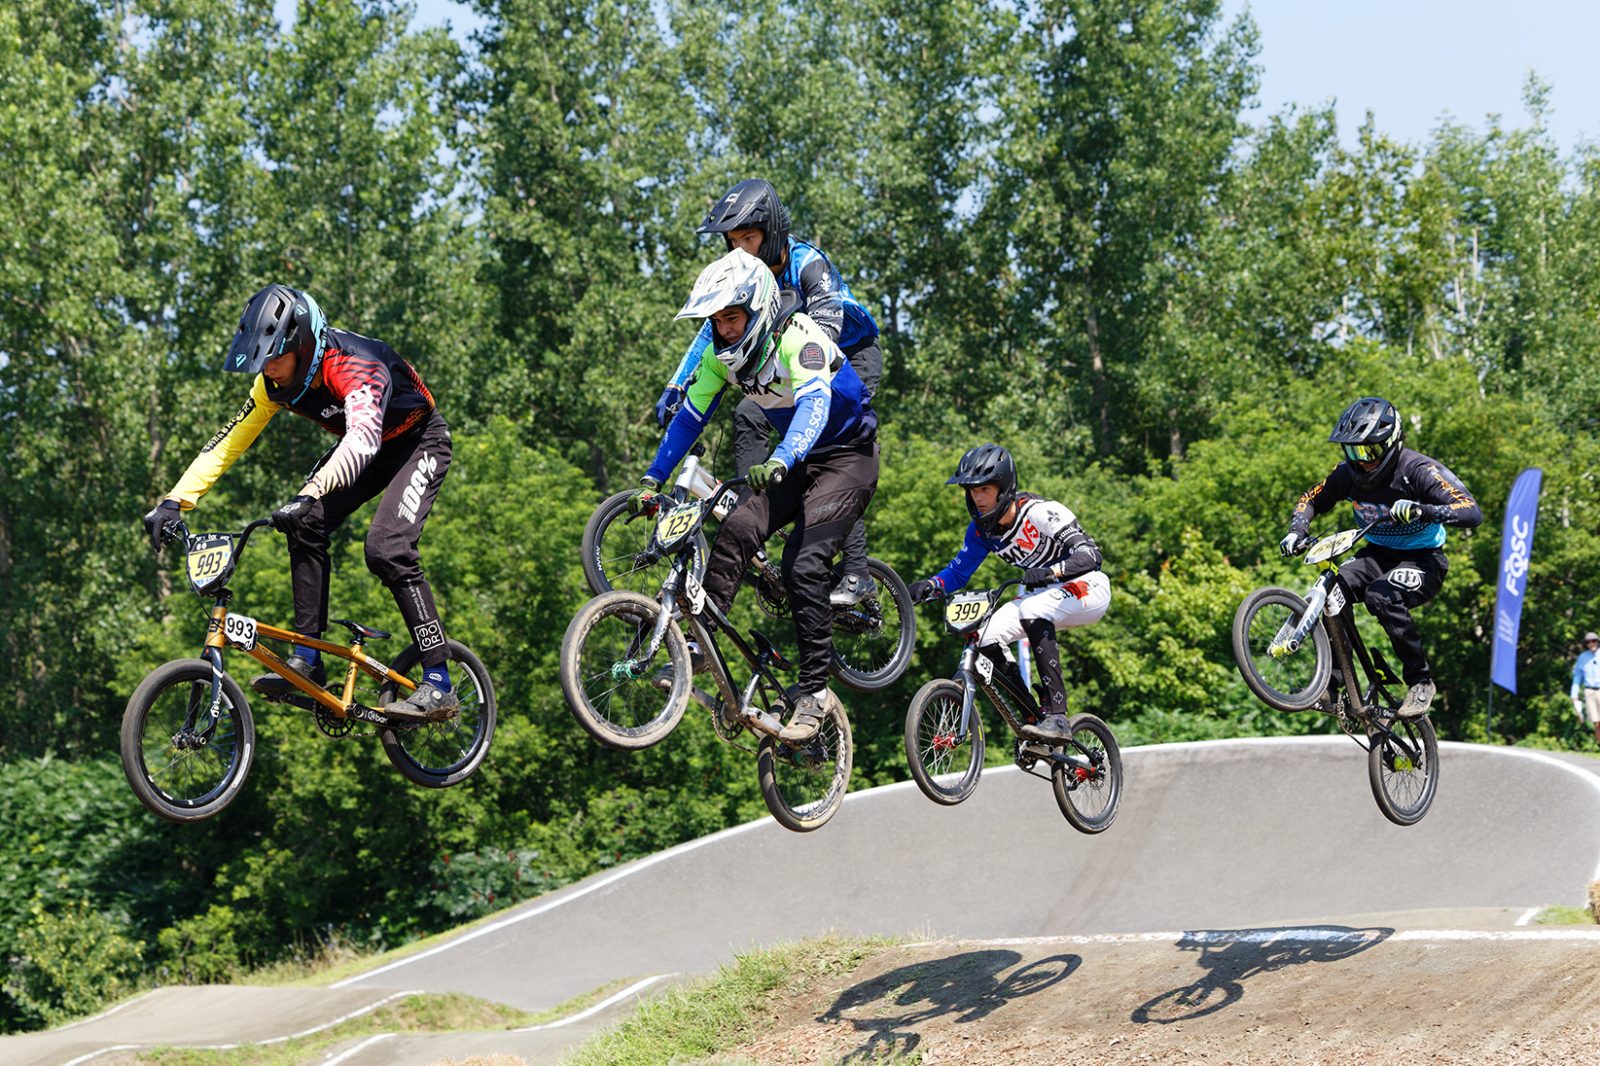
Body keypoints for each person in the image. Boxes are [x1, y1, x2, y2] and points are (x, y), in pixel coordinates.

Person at [142, 284, 456, 722]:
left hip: (417, 442)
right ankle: (307, 658)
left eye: (274, 357)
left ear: (304, 345)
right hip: (366, 447)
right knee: (304, 524)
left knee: (387, 549)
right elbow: (229, 441)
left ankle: (439, 679)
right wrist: (176, 499)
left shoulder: (355, 367)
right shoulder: (271, 385)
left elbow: (362, 441)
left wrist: (310, 491)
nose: (268, 370)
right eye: (261, 360)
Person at [636, 248, 878, 742]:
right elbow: (690, 417)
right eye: (717, 321)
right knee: (739, 527)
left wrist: (782, 458)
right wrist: (651, 478)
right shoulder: (719, 357)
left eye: (733, 317)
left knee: (802, 565)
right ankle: (700, 646)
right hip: (797, 460)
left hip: (847, 458)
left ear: (758, 308)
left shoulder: (801, 338)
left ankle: (814, 694)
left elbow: (814, 405)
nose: (725, 330)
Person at [653, 179, 883, 608]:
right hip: (792, 360)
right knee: (747, 412)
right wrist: (676, 384)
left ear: (772, 231)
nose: (740, 249)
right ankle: (753, 508)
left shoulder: (807, 263)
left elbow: (822, 336)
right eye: (733, 241)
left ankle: (857, 572)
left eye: (749, 238)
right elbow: (709, 335)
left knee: (824, 447)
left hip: (847, 357)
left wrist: (790, 391)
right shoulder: (742, 278)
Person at [1280, 396, 1481, 719]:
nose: (1362, 461)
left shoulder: (1418, 470)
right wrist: (1297, 530)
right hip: (1375, 555)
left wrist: (1424, 510)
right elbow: (1311, 499)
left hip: (1423, 561)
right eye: (1353, 451)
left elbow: (1471, 511)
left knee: (1381, 596)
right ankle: (1333, 685)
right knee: (1332, 590)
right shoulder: (1346, 474)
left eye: (1369, 451)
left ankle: (1420, 682)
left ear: (1390, 444)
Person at [906, 444, 1111, 741]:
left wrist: (1052, 572)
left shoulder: (1041, 513)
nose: (977, 498)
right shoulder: (980, 532)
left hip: (1087, 588)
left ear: (1004, 488)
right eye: (972, 490)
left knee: (1031, 609)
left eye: (985, 489)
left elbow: (1091, 555)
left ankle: (1057, 715)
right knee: (985, 637)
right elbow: (959, 572)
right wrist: (933, 585)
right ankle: (1032, 716)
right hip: (1044, 599)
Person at [1572, 631, 1600, 746]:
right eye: (1589, 642)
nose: (1591, 644)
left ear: (1597, 642)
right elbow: (1577, 676)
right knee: (1596, 722)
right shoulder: (1583, 657)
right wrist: (1574, 694)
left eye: (1594, 641)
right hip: (1589, 691)